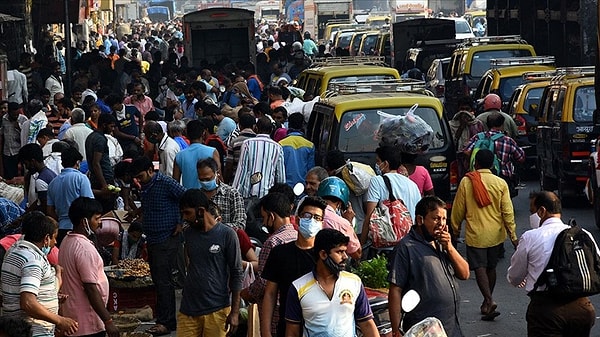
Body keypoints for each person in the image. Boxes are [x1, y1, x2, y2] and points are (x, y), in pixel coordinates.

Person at [507, 191, 597, 336]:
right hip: (582, 309)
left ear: (542, 211)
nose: (531, 216)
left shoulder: (531, 237)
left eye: (532, 211)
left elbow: (515, 277)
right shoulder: (583, 234)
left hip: (546, 312)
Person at [388, 196, 470, 337]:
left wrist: (449, 247)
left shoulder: (442, 244)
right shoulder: (406, 248)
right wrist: (396, 331)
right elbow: (395, 290)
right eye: (436, 218)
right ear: (420, 220)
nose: (441, 224)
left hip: (451, 327)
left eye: (444, 219)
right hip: (424, 330)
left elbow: (465, 274)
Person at [451, 149, 518, 321]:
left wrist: (455, 228)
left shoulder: (467, 182)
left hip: (476, 234)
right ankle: (487, 301)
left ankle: (488, 299)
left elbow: (458, 209)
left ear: (476, 164)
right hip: (496, 235)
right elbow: (508, 212)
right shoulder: (500, 183)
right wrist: (513, 235)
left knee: (479, 267)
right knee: (491, 267)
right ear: (492, 164)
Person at [285, 228, 379, 337]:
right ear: (323, 254)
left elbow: (367, 324)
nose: (345, 257)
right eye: (339, 252)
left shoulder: (354, 282)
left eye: (345, 251)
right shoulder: (298, 287)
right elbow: (292, 332)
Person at [130, 156, 186, 336]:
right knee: (158, 279)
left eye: (141, 176)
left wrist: (180, 221)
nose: (139, 180)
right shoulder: (145, 187)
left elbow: (186, 197)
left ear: (150, 171)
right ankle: (163, 318)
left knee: (163, 281)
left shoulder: (166, 182)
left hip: (167, 237)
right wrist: (138, 211)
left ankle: (166, 322)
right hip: (153, 238)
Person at [177, 189, 243, 337]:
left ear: (200, 211)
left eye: (187, 213)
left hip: (217, 310)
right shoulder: (188, 234)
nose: (184, 218)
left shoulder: (227, 235)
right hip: (188, 310)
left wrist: (235, 312)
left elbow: (237, 273)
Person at [1, 212, 78, 337]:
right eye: (54, 237)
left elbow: (16, 293)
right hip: (34, 331)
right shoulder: (33, 260)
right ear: (46, 238)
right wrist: (60, 320)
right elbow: (28, 303)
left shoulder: (12, 252)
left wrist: (50, 296)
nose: (55, 242)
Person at [260, 196, 326, 337]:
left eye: (317, 217)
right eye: (307, 216)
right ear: (297, 219)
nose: (311, 220)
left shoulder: (325, 256)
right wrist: (265, 331)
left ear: (322, 224)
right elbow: (270, 294)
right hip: (287, 327)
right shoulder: (279, 253)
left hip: (319, 329)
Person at [59, 197, 119, 337]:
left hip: (73, 318)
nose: (99, 223)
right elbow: (91, 289)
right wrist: (108, 321)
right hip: (88, 323)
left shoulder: (66, 241)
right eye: (97, 219)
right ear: (84, 221)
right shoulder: (83, 248)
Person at [241, 192, 298, 309]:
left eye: (264, 217)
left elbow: (263, 283)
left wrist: (245, 294)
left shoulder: (272, 243)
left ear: (271, 216)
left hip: (274, 310)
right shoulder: (298, 237)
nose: (263, 223)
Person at [361, 146, 421, 244]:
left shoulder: (377, 181)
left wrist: (362, 244)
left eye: (378, 161)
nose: (377, 164)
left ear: (385, 164)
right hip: (411, 242)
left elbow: (369, 216)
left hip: (388, 244)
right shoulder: (412, 185)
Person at [464, 112, 525, 196]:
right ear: (502, 125)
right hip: (503, 177)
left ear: (487, 124)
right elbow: (520, 157)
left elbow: (466, 152)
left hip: (479, 177)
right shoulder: (507, 140)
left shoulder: (478, 137)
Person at [47, 146, 94, 245]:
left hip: (61, 228)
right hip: (78, 228)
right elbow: (89, 205)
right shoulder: (81, 178)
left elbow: (50, 210)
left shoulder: (52, 183)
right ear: (77, 163)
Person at [317, 177, 362, 260]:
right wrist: (349, 223)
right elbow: (357, 253)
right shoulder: (341, 223)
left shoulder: (308, 214)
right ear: (339, 204)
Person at [197, 158, 246, 230]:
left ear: (217, 174)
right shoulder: (197, 196)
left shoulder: (232, 194)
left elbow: (240, 224)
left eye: (208, 179)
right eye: (202, 180)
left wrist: (215, 227)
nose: (205, 182)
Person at [173, 120, 220, 189]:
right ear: (203, 133)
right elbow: (219, 176)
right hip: (209, 195)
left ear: (186, 134)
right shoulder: (212, 151)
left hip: (189, 196)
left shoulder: (179, 156)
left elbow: (175, 183)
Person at [85, 113, 117, 213]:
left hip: (96, 179)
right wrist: (104, 186)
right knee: (106, 212)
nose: (112, 129)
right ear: (104, 125)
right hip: (103, 179)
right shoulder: (100, 139)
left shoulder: (91, 136)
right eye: (111, 126)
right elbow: (96, 163)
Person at [279, 113, 315, 188]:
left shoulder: (281, 144)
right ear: (302, 125)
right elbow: (311, 169)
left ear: (288, 125)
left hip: (285, 186)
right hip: (303, 187)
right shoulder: (310, 145)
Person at [18, 143, 57, 212]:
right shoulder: (50, 173)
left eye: (26, 164)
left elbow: (44, 207)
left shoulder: (40, 181)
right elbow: (39, 201)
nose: (26, 167)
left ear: (32, 162)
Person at [0, 102, 28, 179]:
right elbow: (2, 134)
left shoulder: (23, 119)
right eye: (13, 115)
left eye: (16, 114)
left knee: (19, 173)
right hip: (7, 151)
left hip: (18, 151)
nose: (15, 116)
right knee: (9, 174)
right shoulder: (4, 119)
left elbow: (26, 135)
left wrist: (18, 127)